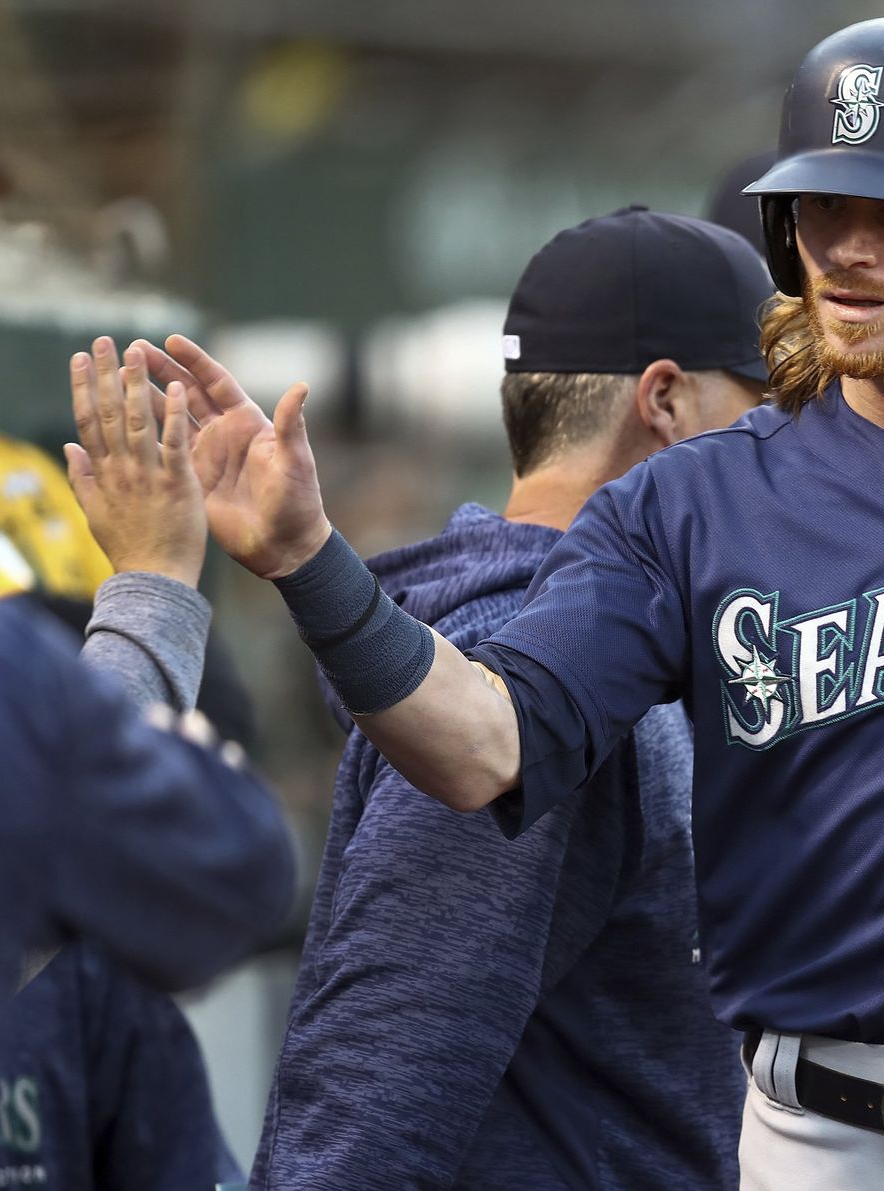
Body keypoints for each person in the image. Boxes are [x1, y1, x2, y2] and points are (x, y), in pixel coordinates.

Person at [137, 17, 884, 1187]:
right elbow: (486, 746)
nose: (848, 247)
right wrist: (310, 561)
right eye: (821, 208)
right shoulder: (697, 502)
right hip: (809, 1131)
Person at [252, 207, 766, 1189]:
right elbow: (370, 1097)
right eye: (767, 407)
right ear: (668, 404)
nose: (792, 451)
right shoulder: (529, 665)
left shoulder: (602, 649)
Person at [0, 89, 255, 1187]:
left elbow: (223, 726)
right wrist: (145, 588)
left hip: (94, 992)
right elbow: (15, 757)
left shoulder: (39, 474)